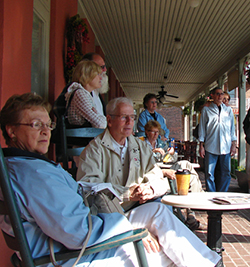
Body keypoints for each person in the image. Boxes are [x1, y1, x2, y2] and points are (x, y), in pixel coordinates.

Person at [0, 93, 221, 267]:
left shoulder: (28, 166)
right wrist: (132, 231)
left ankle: (212, 263)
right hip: (74, 254)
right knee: (171, 250)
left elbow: (157, 176)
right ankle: (211, 262)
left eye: (48, 125)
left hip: (91, 230)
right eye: (36, 125)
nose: (46, 132)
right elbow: (79, 229)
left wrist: (151, 187)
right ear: (11, 131)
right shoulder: (38, 174)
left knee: (160, 214)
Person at [77, 97, 170, 212]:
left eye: (132, 117)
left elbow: (157, 177)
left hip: (138, 207)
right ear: (109, 120)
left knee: (163, 207)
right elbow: (88, 187)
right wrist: (127, 193)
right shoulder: (94, 149)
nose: (129, 122)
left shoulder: (141, 147)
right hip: (108, 214)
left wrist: (151, 188)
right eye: (123, 117)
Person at [142, 120, 206, 230]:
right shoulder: (141, 145)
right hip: (157, 174)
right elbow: (144, 164)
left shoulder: (161, 143)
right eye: (153, 132)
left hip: (166, 168)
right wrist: (153, 151)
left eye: (157, 132)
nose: (156, 135)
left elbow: (171, 159)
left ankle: (194, 206)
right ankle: (193, 210)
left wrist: (171, 152)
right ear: (147, 132)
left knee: (187, 165)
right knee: (190, 178)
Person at [198, 87, 237, 192]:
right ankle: (211, 194)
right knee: (209, 173)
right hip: (211, 145)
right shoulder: (206, 110)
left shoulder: (228, 110)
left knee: (226, 172)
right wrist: (201, 145)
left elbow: (232, 129)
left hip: (226, 146)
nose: (220, 96)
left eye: (222, 94)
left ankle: (222, 194)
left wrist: (234, 144)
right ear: (212, 96)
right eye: (217, 94)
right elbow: (202, 128)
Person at [65, 60, 107, 129]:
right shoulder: (80, 94)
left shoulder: (85, 93)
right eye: (98, 74)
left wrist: (98, 116)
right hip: (80, 139)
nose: (100, 78)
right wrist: (98, 116)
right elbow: (100, 124)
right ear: (87, 75)